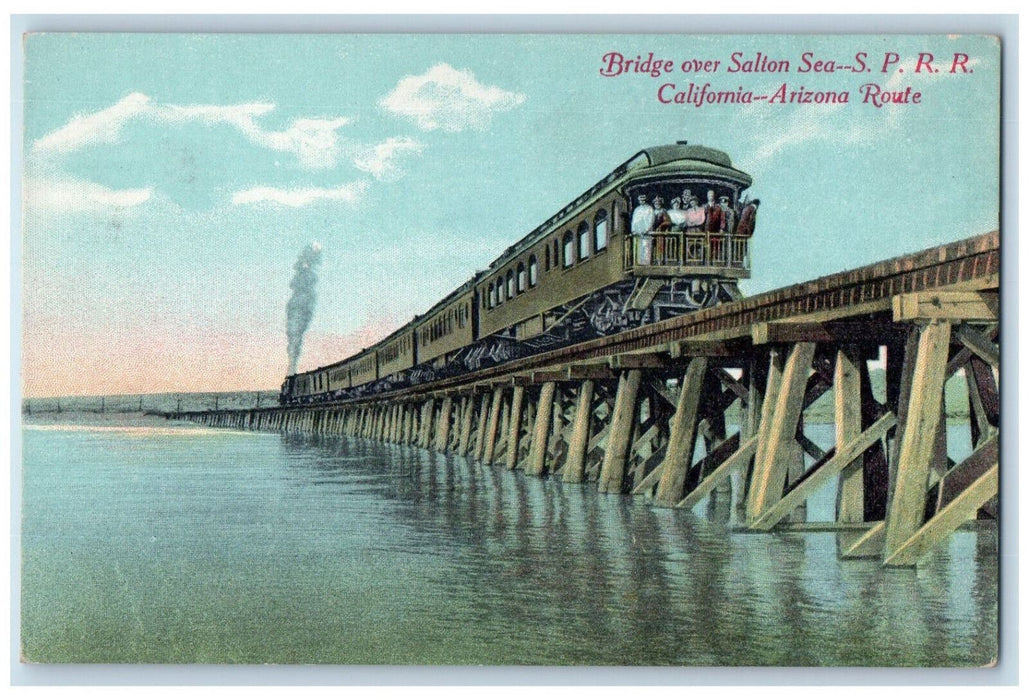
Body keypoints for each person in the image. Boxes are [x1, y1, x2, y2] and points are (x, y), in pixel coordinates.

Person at [630, 194, 655, 264]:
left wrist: (646, 229)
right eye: (640, 200)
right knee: (639, 248)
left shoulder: (649, 209)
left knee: (646, 247)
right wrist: (634, 230)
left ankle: (646, 263)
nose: (642, 201)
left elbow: (651, 220)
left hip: (646, 233)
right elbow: (634, 221)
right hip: (638, 233)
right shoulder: (637, 210)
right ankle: (639, 263)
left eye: (643, 200)